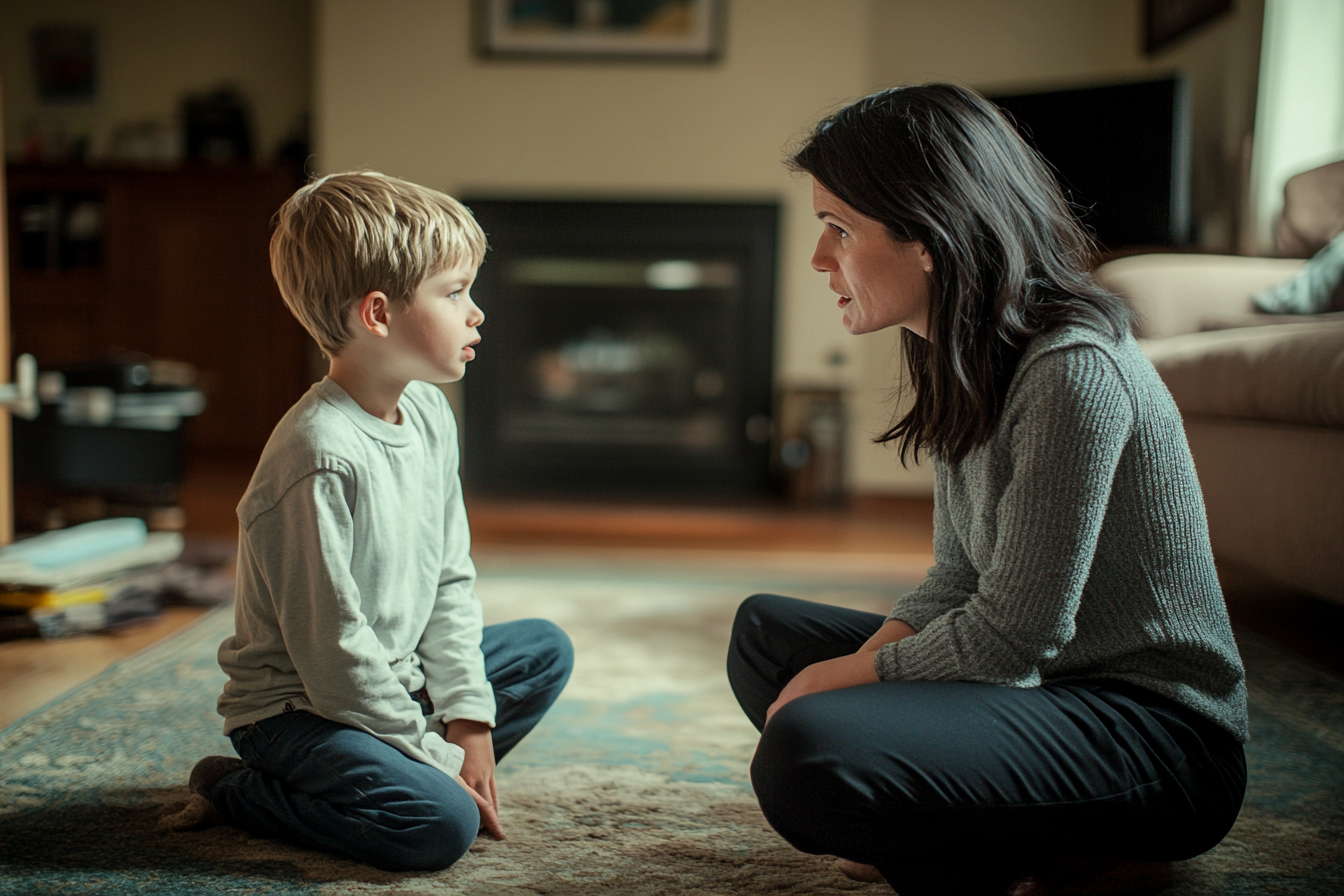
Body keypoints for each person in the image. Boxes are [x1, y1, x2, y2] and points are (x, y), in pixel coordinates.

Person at [727, 84, 1248, 895]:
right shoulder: (968, 354)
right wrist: (840, 677)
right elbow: (959, 579)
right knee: (767, 636)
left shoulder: (1073, 370)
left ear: (928, 236)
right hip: (1051, 691)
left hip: (1157, 738)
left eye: (839, 230)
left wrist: (837, 692)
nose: (819, 259)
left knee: (809, 751)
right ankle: (1018, 844)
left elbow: (1012, 640)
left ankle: (1002, 847)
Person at [162, 171, 574, 873]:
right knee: (436, 828)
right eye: (453, 293)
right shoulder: (317, 456)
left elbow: (449, 578)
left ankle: (400, 767)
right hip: (298, 713)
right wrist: (438, 755)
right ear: (377, 314)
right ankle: (239, 790)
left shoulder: (430, 415)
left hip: (390, 681)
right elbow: (333, 659)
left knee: (542, 649)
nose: (476, 312)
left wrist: (468, 722)